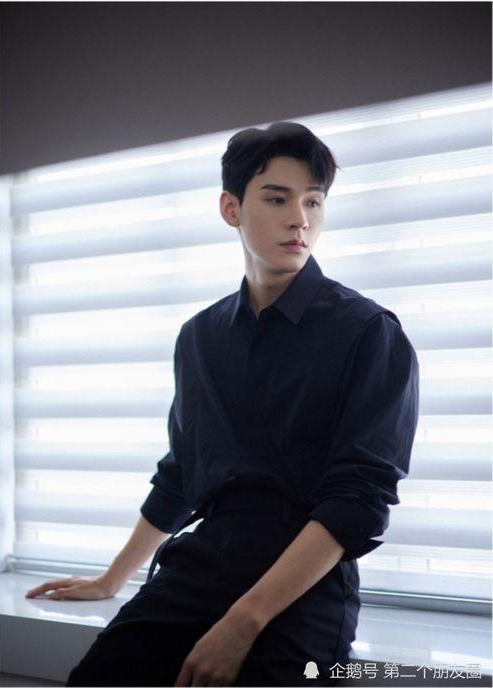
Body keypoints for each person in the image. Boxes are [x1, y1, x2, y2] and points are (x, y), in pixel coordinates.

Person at [25, 122, 420, 687]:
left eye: (313, 201)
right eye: (277, 199)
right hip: (200, 567)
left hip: (304, 587)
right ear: (231, 209)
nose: (300, 219)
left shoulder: (368, 332)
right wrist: (111, 580)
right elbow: (180, 475)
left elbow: (359, 501)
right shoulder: (199, 336)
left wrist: (242, 622)